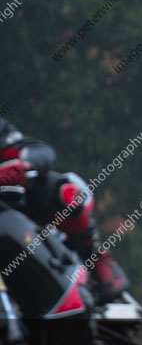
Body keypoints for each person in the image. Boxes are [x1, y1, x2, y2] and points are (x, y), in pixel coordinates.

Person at [0, 117, 128, 302]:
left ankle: (95, 257)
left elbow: (39, 151)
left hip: (10, 211)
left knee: (66, 193)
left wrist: (20, 166)